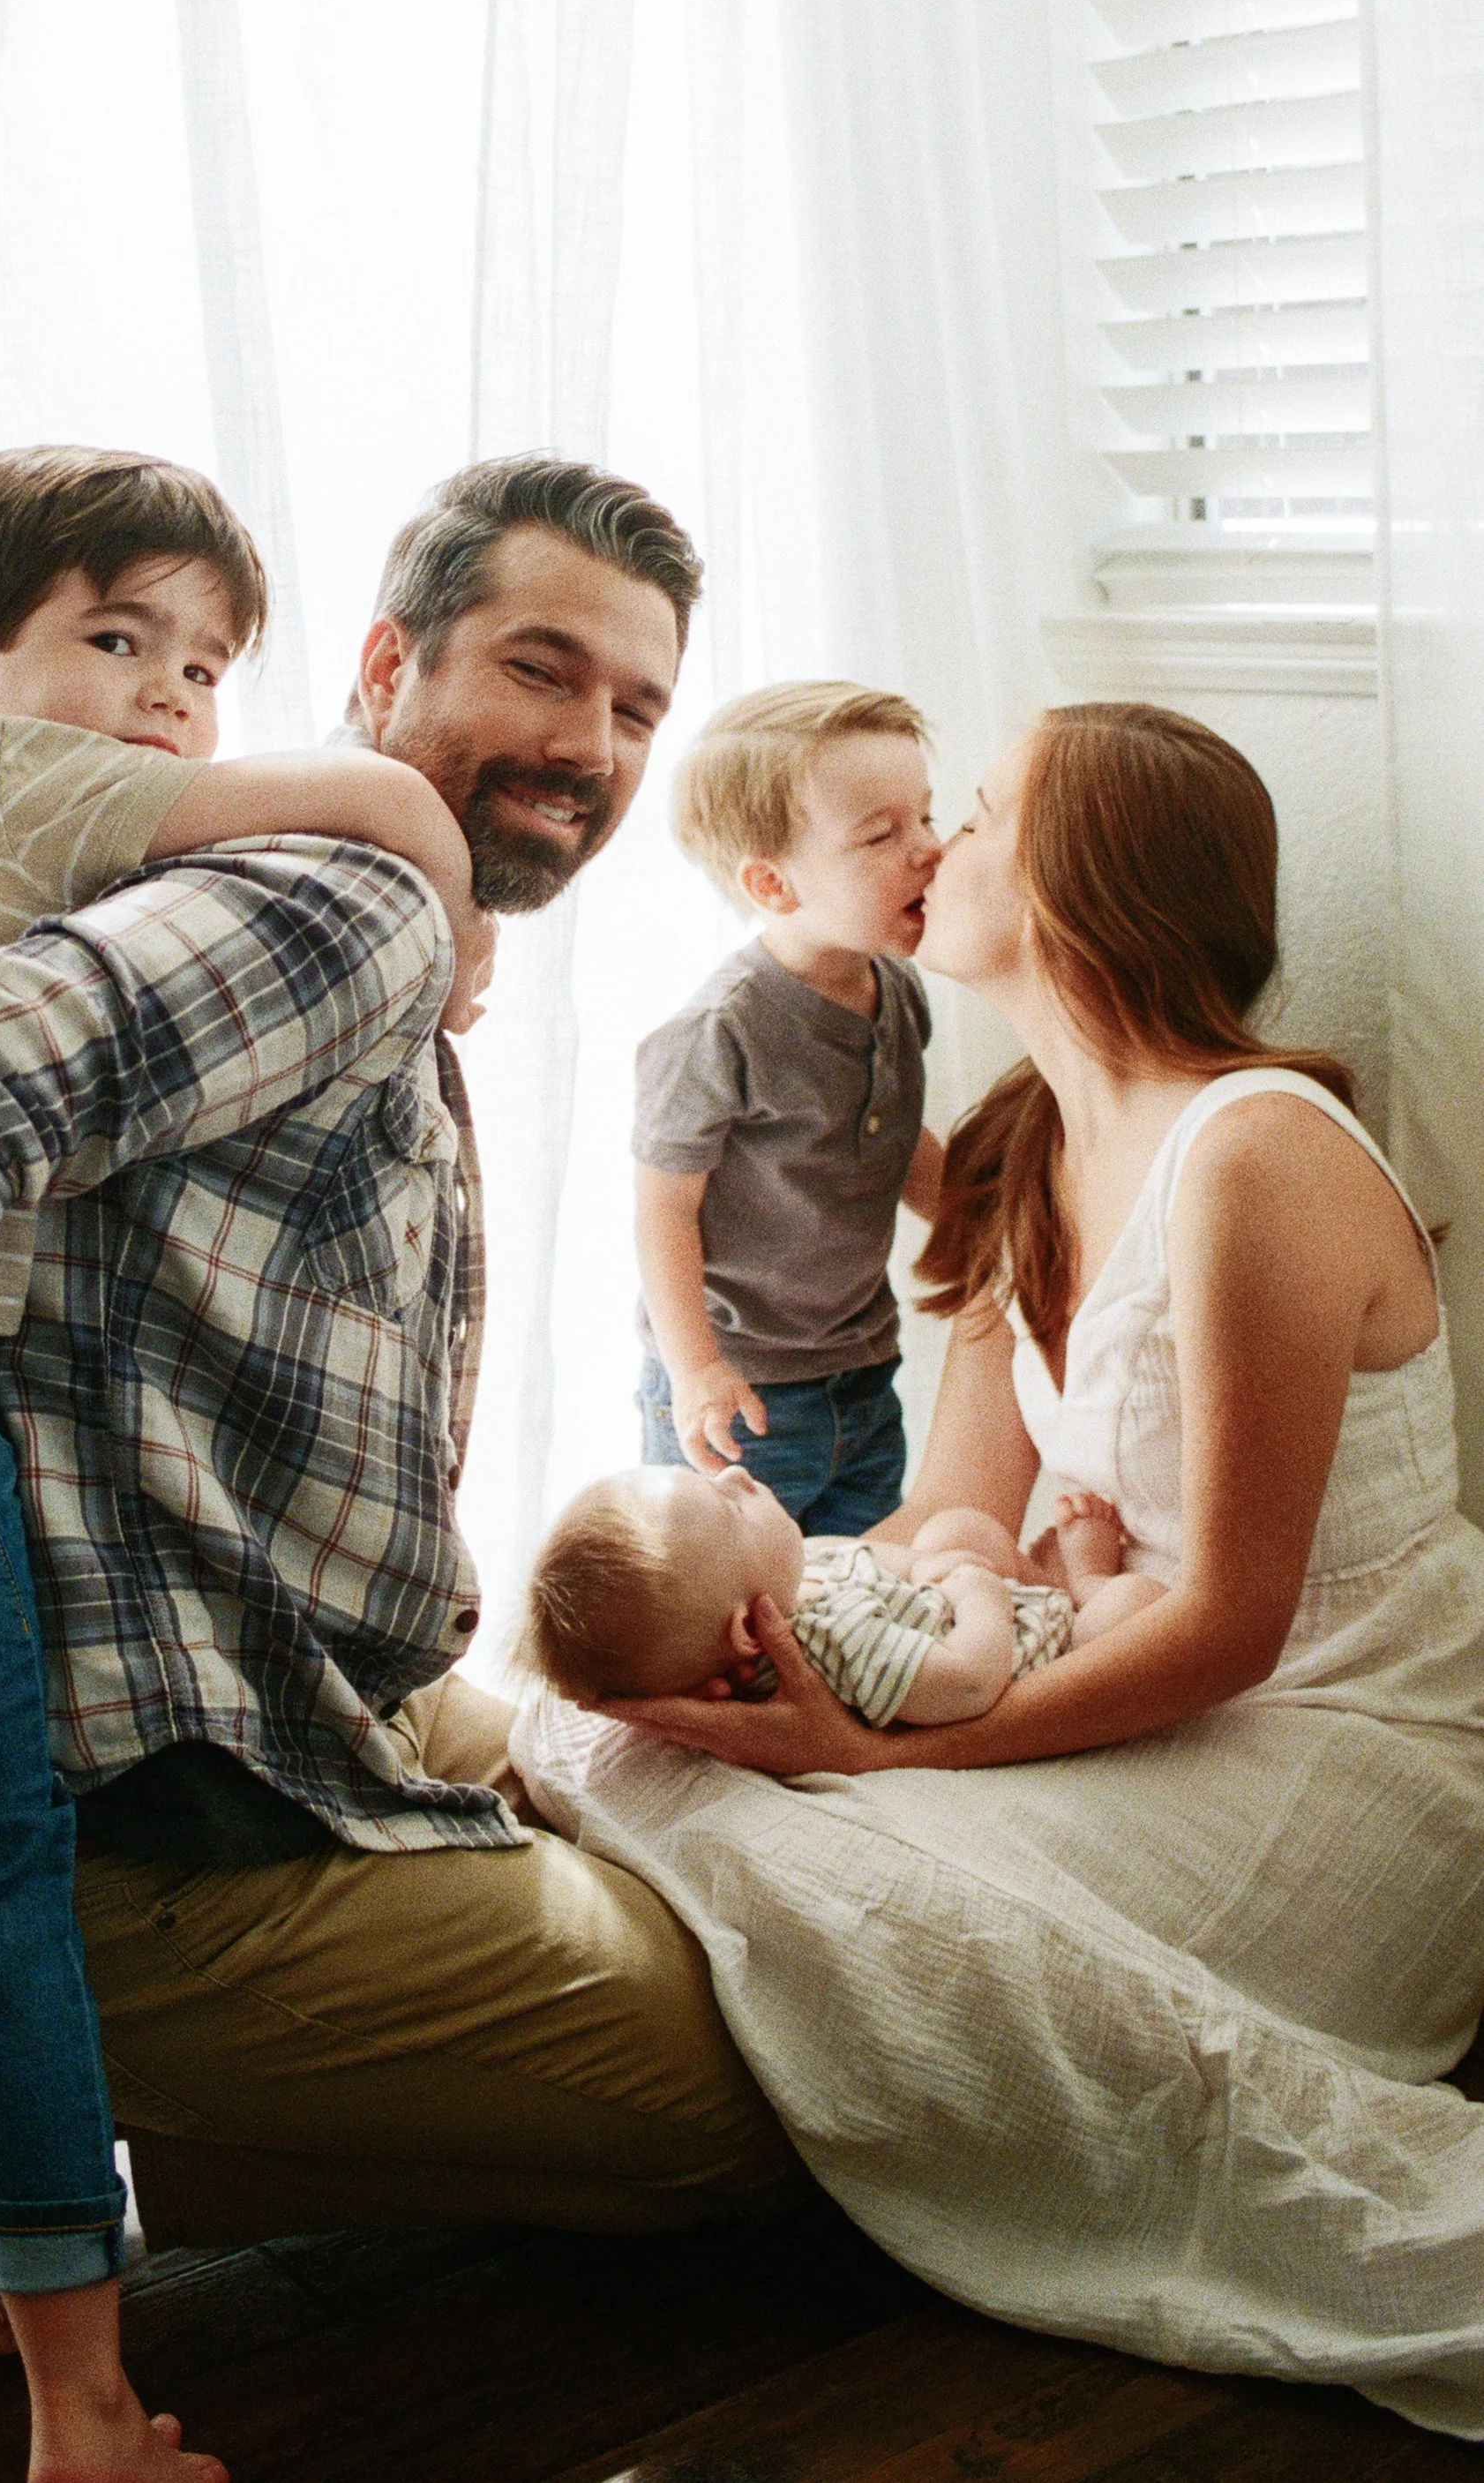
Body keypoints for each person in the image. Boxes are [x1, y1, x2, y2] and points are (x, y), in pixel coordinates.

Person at [0, 457, 814, 2430]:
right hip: (111, 1835)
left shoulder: (194, 867)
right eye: (537, 669)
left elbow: (7, 1325)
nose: (589, 745)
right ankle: (94, 2149)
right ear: (385, 666)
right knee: (789, 2097)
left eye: (634, 707)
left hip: (243, 1701)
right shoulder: (348, 902)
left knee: (675, 1803)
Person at [518, 701, 1484, 2440]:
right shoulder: (1017, 1141)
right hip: (1109, 1664)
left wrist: (870, 1748)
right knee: (615, 1737)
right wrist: (772, 1623)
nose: (932, 847)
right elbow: (949, 1515)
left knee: (832, 1841)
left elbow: (1229, 1624)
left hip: (1347, 1733)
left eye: (971, 813)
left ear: (1080, 886)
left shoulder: (1251, 1151)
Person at [633, 683, 944, 1531]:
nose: (928, 848)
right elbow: (664, 1210)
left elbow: (893, 1134)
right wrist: (695, 1369)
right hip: (742, 1389)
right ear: (773, 884)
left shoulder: (897, 987)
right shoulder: (720, 1029)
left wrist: (982, 1220)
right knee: (717, 1583)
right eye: (882, 834)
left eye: (926, 815)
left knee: (855, 1577)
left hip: (862, 1368)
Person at [520, 1462, 1158, 1723]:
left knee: (953, 1528)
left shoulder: (792, 1580)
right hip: (1024, 1654)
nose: (736, 1473)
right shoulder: (840, 1644)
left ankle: (1046, 1581)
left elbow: (879, 1564)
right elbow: (970, 1683)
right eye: (728, 1505)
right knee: (1137, 1609)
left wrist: (933, 1564)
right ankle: (1085, 1591)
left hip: (954, 1602)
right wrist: (979, 1590)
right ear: (748, 1630)